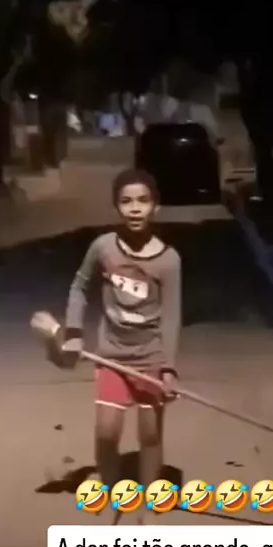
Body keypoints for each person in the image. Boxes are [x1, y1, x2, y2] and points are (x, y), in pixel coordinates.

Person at [62, 168, 181, 516]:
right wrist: (73, 332)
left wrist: (169, 368)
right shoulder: (103, 248)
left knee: (150, 436)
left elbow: (172, 315)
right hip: (112, 356)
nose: (135, 208)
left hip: (151, 359)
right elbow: (79, 286)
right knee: (107, 432)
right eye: (126, 201)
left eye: (143, 201)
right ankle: (114, 495)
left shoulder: (169, 260)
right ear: (116, 206)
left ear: (155, 206)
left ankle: (150, 502)